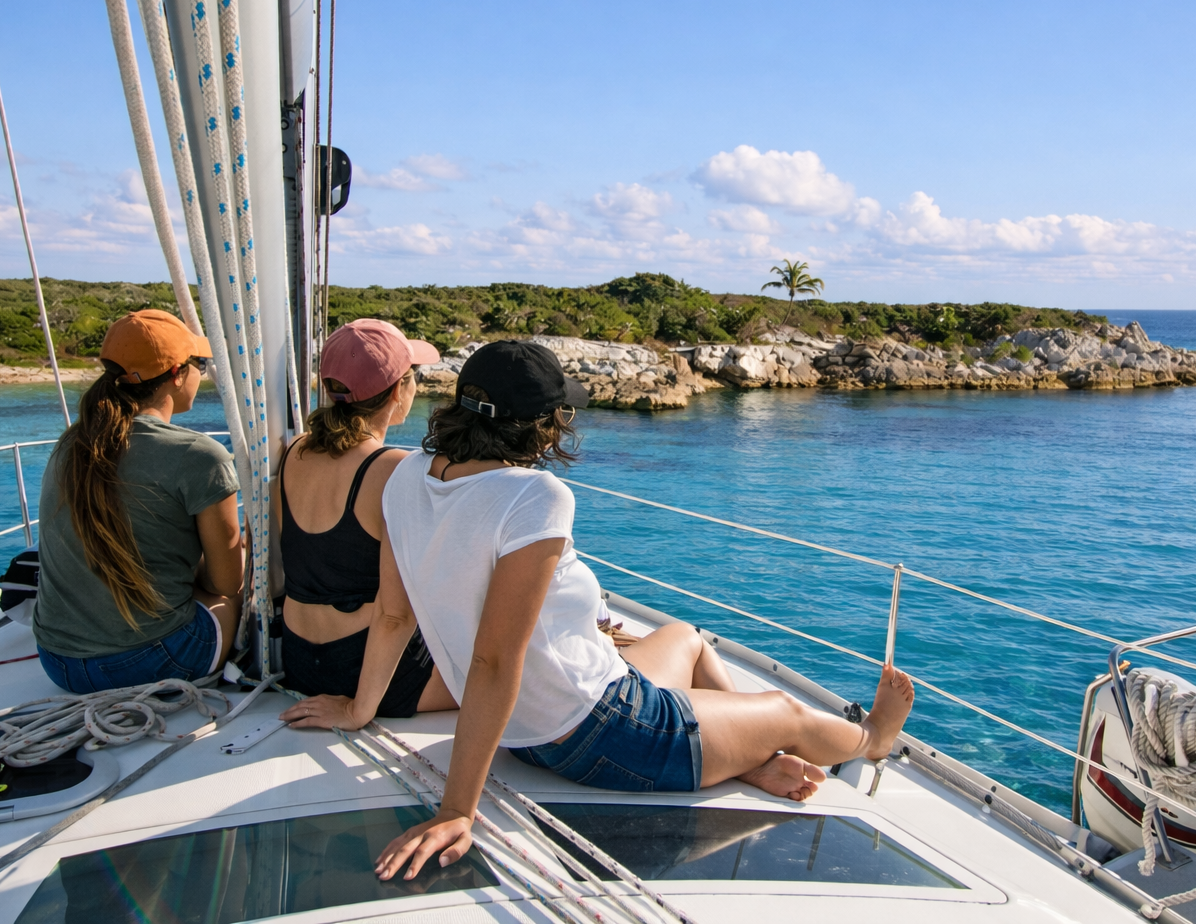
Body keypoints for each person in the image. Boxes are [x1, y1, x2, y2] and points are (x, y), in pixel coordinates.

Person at [372, 340, 916, 881]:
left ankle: (746, 756)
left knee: (686, 640)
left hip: (524, 735)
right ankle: (872, 739)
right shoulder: (533, 495)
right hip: (601, 730)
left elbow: (393, 616)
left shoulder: (405, 476)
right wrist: (457, 811)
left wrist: (357, 709)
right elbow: (493, 660)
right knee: (785, 711)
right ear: (539, 423)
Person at [34, 310, 244, 693]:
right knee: (236, 596)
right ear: (177, 374)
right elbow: (226, 583)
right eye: (199, 365)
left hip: (58, 662)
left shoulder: (71, 444)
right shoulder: (200, 456)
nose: (201, 373)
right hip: (151, 662)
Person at [276, 319, 458, 729]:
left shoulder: (294, 451)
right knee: (514, 677)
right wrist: (357, 711)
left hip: (300, 662)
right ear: (398, 391)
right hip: (365, 676)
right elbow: (395, 615)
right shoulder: (396, 469)